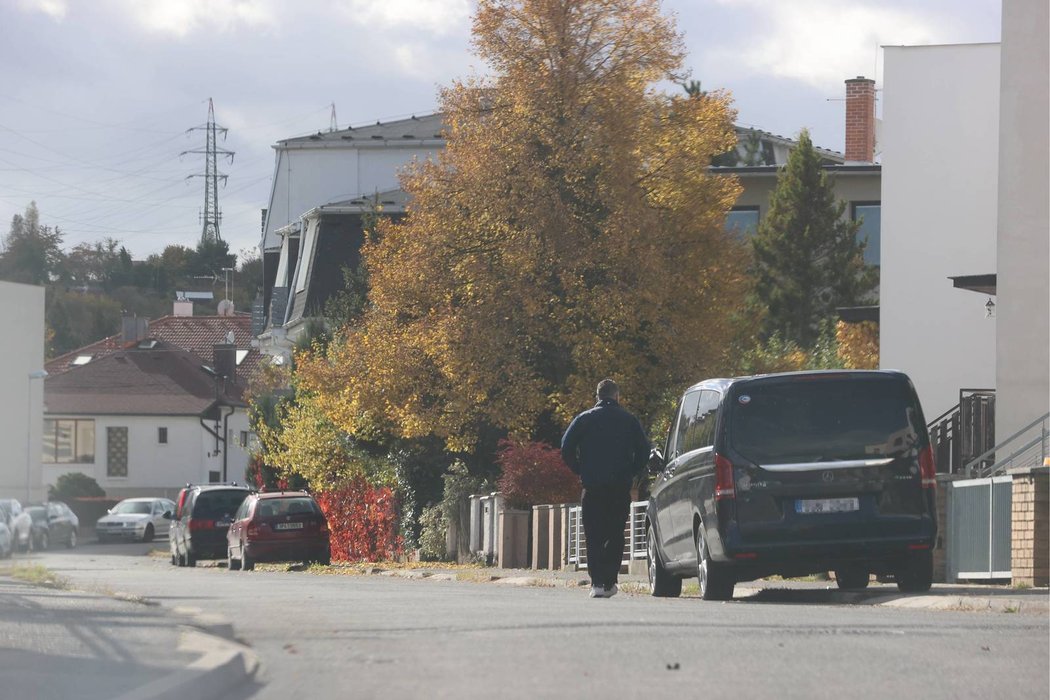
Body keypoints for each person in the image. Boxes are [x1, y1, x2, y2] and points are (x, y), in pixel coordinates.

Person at [561, 378, 651, 599]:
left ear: (597, 397)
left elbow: (566, 447)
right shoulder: (629, 420)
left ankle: (597, 582)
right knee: (615, 532)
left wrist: (580, 469)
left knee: (593, 534)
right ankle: (610, 580)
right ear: (616, 396)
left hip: (592, 486)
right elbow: (643, 449)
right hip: (619, 486)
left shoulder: (584, 419)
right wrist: (632, 471)